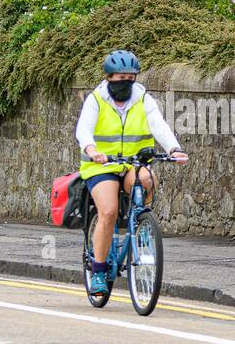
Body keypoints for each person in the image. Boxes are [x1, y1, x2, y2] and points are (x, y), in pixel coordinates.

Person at [76, 49, 188, 296]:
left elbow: (159, 125)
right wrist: (92, 149)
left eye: (131, 77)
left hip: (133, 163)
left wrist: (174, 149)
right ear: (108, 78)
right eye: (120, 78)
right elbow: (83, 130)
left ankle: (141, 226)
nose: (125, 82)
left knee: (147, 178)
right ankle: (99, 270)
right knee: (108, 211)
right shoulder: (96, 100)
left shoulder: (143, 98)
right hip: (101, 165)